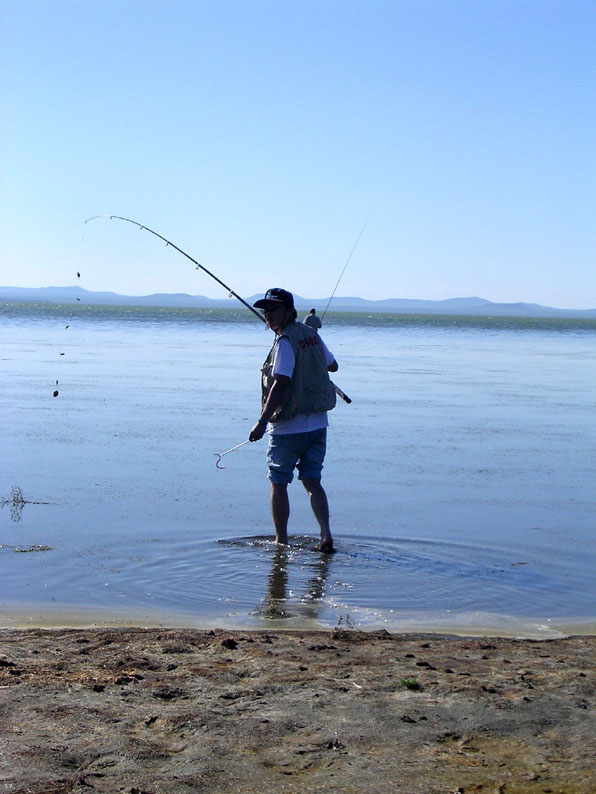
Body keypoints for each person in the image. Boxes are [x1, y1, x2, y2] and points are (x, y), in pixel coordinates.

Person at [249, 288, 338, 553]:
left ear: (289, 311)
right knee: (312, 481)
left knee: (279, 482)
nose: (268, 314)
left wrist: (263, 421)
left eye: (274, 309)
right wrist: (311, 351)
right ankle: (325, 534)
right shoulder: (311, 335)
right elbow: (333, 366)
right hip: (318, 425)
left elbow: (281, 382)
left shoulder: (285, 341)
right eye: (265, 310)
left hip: (287, 428)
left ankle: (281, 540)